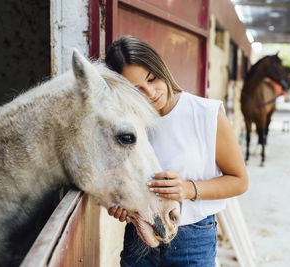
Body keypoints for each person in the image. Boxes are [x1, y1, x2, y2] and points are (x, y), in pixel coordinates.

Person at [105, 35, 248, 267]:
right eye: (137, 90)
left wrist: (189, 189)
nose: (151, 93)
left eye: (152, 79)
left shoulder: (206, 114)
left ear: (161, 67)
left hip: (193, 239)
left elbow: (240, 181)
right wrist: (119, 205)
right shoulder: (126, 125)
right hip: (138, 236)